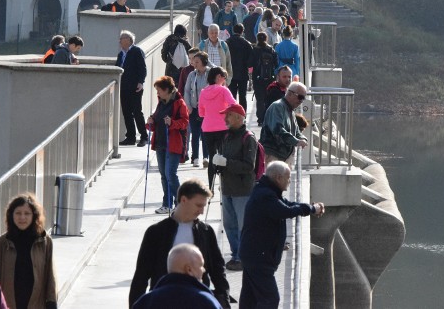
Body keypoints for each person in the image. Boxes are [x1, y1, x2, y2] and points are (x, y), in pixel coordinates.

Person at [129, 179, 232, 308]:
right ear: (183, 200)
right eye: (199, 205)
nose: (202, 211)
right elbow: (141, 275)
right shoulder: (156, 232)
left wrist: (224, 302)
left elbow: (218, 271)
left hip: (198, 302)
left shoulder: (206, 231)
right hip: (163, 302)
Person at [238, 161, 324, 309]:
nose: (289, 182)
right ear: (278, 178)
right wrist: (310, 209)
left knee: (250, 298)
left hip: (253, 254)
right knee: (270, 299)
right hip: (259, 257)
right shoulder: (265, 195)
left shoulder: (266, 190)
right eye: (288, 178)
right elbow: (285, 211)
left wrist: (310, 208)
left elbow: (287, 204)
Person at [0, 194, 57, 309]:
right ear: (11, 215)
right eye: (18, 213)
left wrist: (51, 302)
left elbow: (50, 276)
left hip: (36, 304)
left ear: (34, 216)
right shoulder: (1, 243)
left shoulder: (44, 241)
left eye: (27, 213)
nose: (22, 218)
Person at [212, 104, 257, 272]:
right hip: (228, 188)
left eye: (228, 116)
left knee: (242, 226)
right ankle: (235, 255)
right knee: (230, 225)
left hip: (242, 190)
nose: (225, 119)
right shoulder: (226, 137)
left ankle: (243, 257)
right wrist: (218, 164)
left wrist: (226, 163)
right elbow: (226, 159)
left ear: (239, 117)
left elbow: (248, 166)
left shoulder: (248, 138)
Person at [133, 244, 223, 309]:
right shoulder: (206, 302)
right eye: (201, 265)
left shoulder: (146, 302)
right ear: (189, 270)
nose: (203, 270)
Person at [147, 76, 189, 214]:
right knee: (164, 175)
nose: (157, 93)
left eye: (159, 90)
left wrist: (172, 123)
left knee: (170, 174)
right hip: (160, 143)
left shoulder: (179, 103)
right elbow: (156, 121)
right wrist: (151, 122)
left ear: (166, 90)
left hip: (174, 144)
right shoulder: (161, 103)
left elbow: (184, 123)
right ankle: (167, 204)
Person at [198, 67, 236, 189]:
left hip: (208, 128)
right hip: (222, 127)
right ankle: (224, 185)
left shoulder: (203, 92)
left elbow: (201, 113)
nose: (225, 80)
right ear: (218, 77)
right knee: (224, 156)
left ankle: (211, 187)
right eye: (224, 77)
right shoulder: (223, 90)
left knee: (212, 156)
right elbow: (234, 104)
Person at [260, 82, 308, 169]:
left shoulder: (290, 111)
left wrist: (303, 139)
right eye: (300, 97)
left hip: (284, 156)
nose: (301, 101)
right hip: (273, 155)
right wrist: (296, 142)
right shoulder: (277, 107)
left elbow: (297, 132)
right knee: (273, 182)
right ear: (290, 93)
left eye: (303, 98)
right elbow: (277, 130)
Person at [115, 30, 149, 147]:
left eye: (122, 38)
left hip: (135, 87)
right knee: (126, 112)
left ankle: (144, 136)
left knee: (137, 112)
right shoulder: (121, 54)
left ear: (129, 40)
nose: (119, 41)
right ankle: (130, 137)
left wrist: (141, 82)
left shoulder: (136, 51)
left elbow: (142, 68)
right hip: (124, 87)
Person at [184, 51, 211, 169]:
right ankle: (195, 157)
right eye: (194, 61)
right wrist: (188, 106)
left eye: (197, 61)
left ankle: (206, 157)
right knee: (194, 133)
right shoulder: (192, 75)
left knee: (205, 134)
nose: (194, 63)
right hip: (194, 109)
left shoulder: (210, 73)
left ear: (203, 62)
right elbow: (186, 91)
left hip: (207, 109)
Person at [251, 32, 278, 126]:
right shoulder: (271, 49)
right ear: (266, 39)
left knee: (260, 99)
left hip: (257, 78)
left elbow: (250, 63)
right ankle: (268, 118)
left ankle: (260, 119)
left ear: (257, 39)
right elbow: (276, 63)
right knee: (269, 98)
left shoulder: (254, 50)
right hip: (270, 78)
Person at [225, 23, 253, 113]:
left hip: (230, 73)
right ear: (242, 31)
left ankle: (232, 113)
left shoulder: (227, 42)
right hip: (243, 73)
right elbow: (250, 61)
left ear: (233, 30)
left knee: (231, 95)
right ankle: (242, 114)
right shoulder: (246, 44)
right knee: (242, 96)